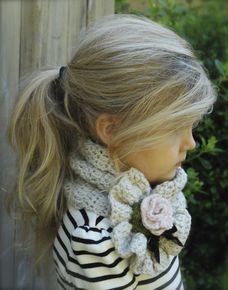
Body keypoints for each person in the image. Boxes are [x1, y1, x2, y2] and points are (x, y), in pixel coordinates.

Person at [6, 14, 217, 290]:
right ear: (112, 131)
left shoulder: (138, 192)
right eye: (176, 128)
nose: (191, 143)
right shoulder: (97, 240)